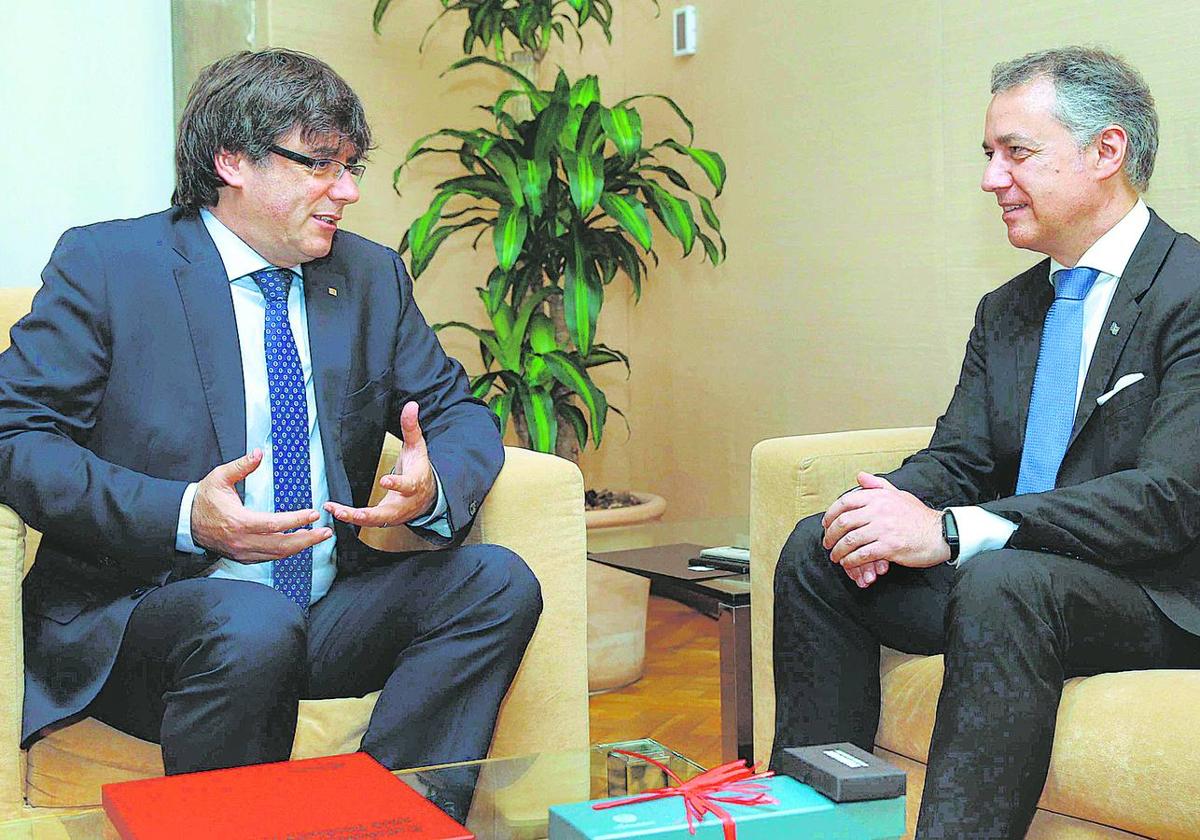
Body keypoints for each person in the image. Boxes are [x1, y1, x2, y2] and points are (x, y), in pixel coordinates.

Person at [0, 49, 541, 817]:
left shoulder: (369, 278)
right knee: (250, 621)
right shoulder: (110, 265)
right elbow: (16, 435)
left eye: (351, 166)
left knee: (497, 581)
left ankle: (385, 821)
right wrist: (186, 513)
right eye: (322, 164)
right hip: (148, 616)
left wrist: (432, 482)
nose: (347, 192)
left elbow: (455, 413)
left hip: (320, 603)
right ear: (232, 161)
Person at [771, 46, 1200, 838]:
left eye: (1017, 153)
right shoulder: (1007, 308)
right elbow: (962, 458)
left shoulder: (1190, 293)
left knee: (1006, 582)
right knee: (817, 546)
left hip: (1155, 595)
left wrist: (953, 530)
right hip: (1018, 579)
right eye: (988, 154)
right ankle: (808, 826)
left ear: (1106, 152)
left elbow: (1170, 498)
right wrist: (883, 508)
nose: (991, 178)